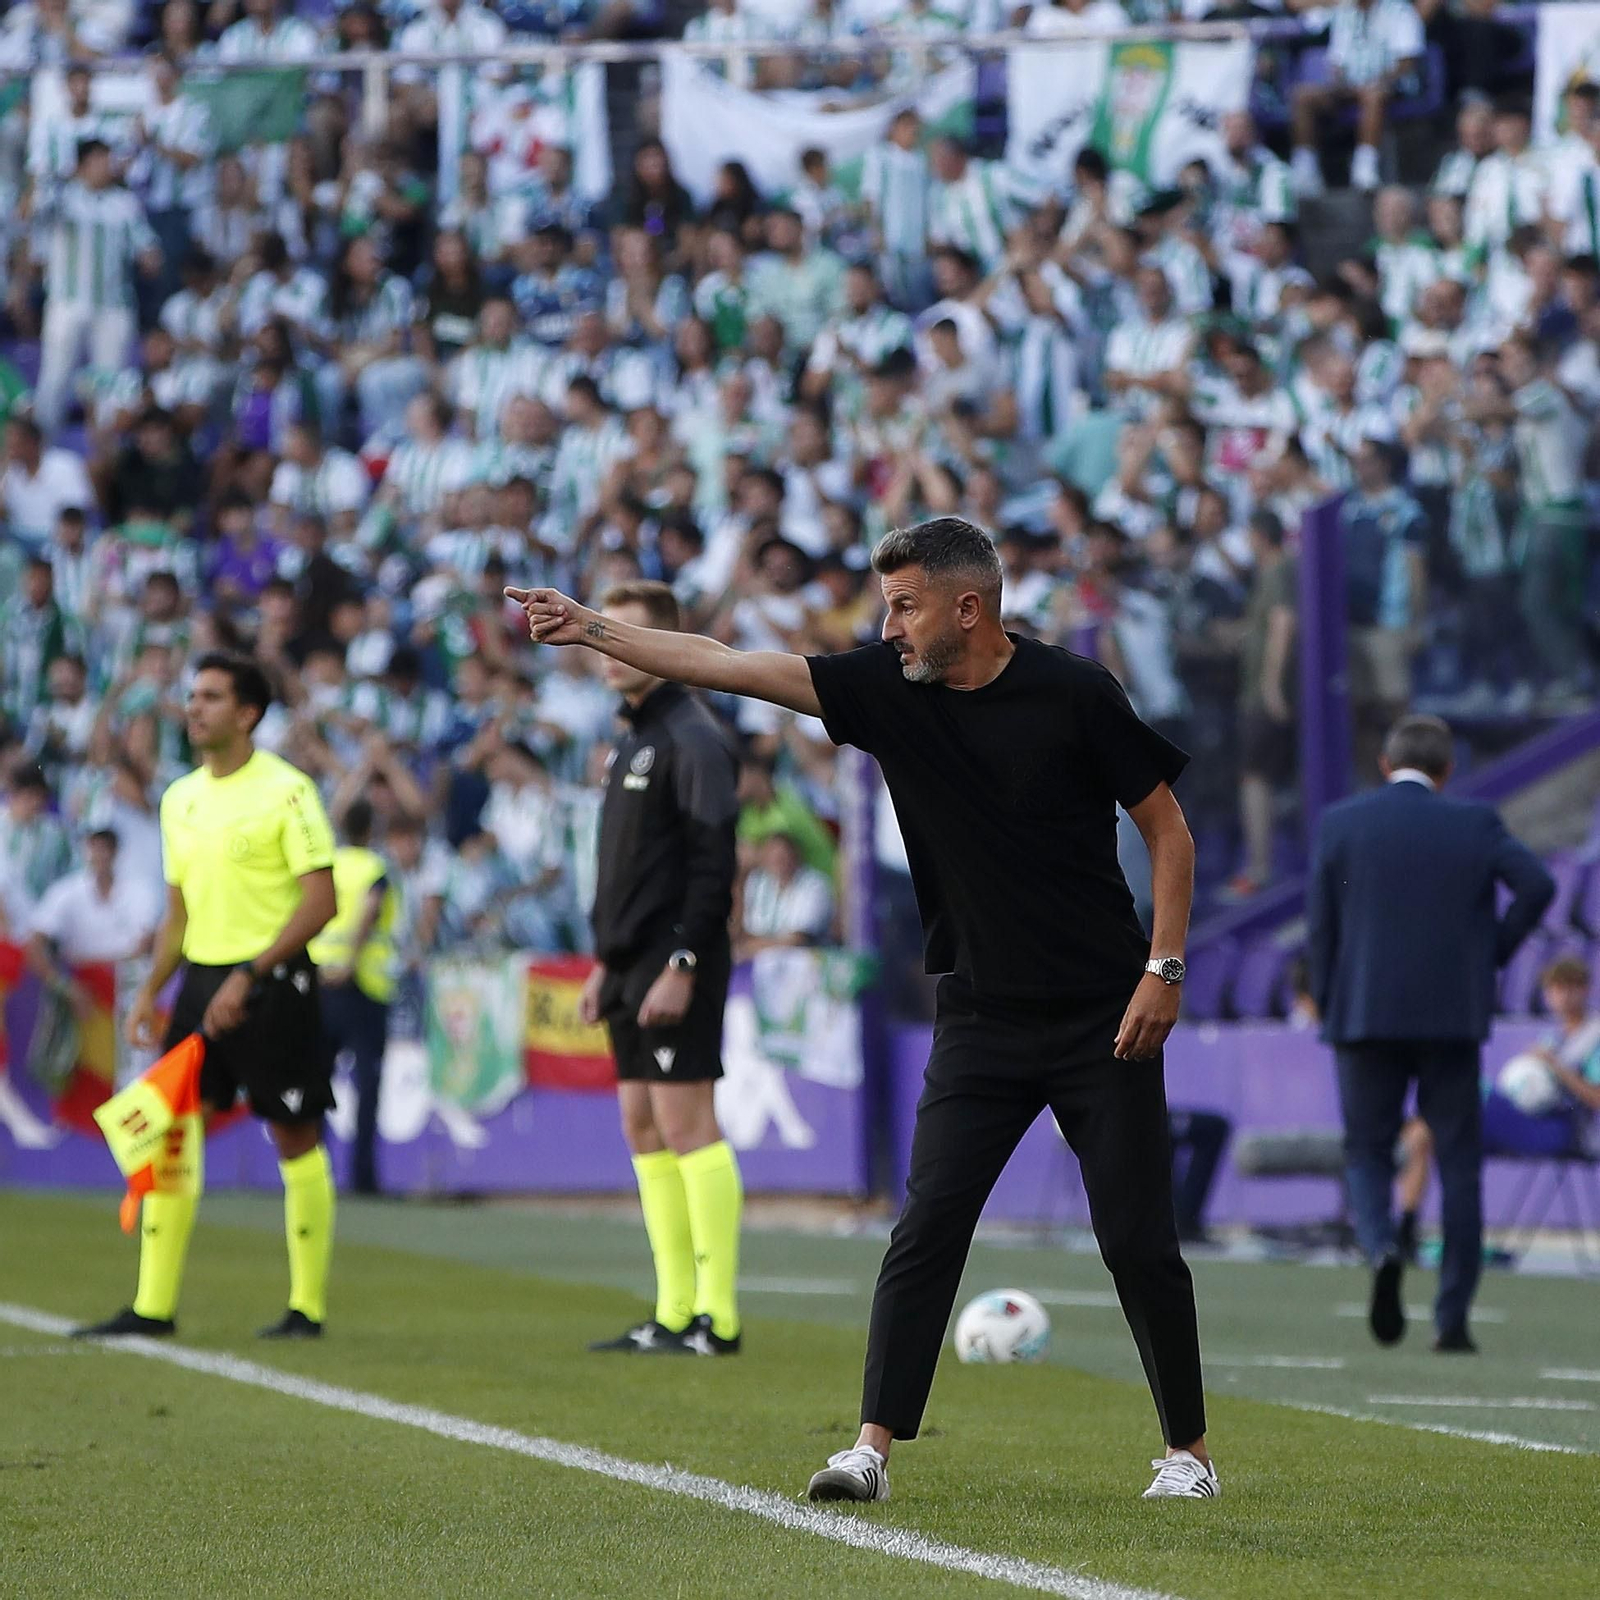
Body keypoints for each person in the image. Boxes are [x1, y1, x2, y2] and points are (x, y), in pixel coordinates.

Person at [508, 516, 1216, 1501]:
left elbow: (1168, 831)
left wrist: (1163, 969)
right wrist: (593, 628)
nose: (884, 624)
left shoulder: (1074, 692)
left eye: (902, 604)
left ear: (966, 609)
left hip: (1104, 1012)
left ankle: (1187, 1453)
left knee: (1137, 1239)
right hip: (978, 1014)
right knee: (925, 1225)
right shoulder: (887, 688)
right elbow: (727, 663)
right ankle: (869, 1448)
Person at [72, 654, 339, 1342]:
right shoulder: (180, 798)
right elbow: (178, 913)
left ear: (247, 713)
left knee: (293, 1134)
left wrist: (249, 975)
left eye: (211, 697)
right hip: (198, 984)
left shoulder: (287, 790)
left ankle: (305, 1308)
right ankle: (151, 1307)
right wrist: (150, 993)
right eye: (191, 697)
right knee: (168, 1134)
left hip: (273, 982)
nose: (193, 708)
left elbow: (321, 901)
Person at [1306, 714, 1554, 1354]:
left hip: (1364, 1017)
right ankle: (1452, 1319)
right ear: (1448, 771)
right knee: (1459, 1162)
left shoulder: (1342, 823)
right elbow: (1538, 884)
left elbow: (1321, 930)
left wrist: (1333, 1009)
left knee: (1366, 1150)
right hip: (1451, 1018)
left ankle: (1385, 1248)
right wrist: (1489, 956)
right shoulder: (1474, 823)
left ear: (1385, 765)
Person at [576, 580, 745, 1359]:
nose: (606, 647)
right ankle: (672, 1310)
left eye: (621, 634)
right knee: (642, 1125)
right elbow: (625, 869)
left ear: (664, 646)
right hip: (631, 961)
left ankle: (718, 1316)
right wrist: (607, 963)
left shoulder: (694, 737)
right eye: (602, 632)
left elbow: (714, 864)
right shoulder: (632, 738)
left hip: (682, 957)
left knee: (685, 1124)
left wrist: (682, 961)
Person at [307, 800, 398, 1196]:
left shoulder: (328, 865)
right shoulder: (373, 869)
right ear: (370, 830)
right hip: (362, 986)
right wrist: (351, 959)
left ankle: (314, 1173)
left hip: (321, 982)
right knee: (367, 1083)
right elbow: (370, 911)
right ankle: (363, 1177)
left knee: (318, 1081)